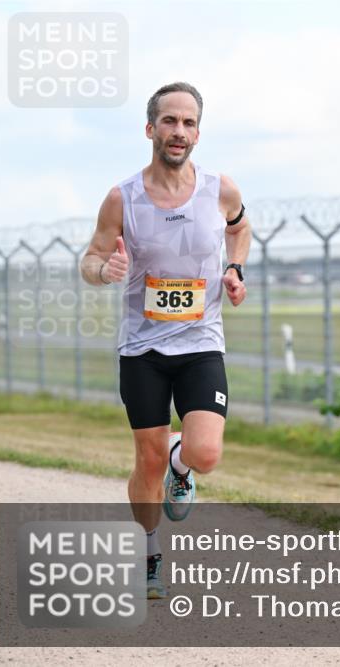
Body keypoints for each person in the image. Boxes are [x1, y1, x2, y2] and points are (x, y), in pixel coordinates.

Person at [80, 82, 251, 599]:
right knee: (146, 460)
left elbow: (239, 230)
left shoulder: (220, 190)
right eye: (171, 122)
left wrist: (236, 268)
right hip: (143, 349)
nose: (180, 132)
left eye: (190, 122)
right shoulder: (123, 198)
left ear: (198, 131)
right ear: (150, 128)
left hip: (200, 341)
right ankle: (149, 552)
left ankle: (184, 468)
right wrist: (104, 270)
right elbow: (89, 259)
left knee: (204, 453)